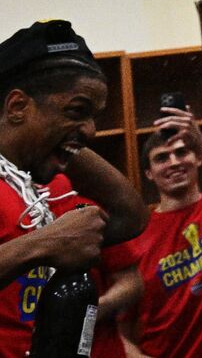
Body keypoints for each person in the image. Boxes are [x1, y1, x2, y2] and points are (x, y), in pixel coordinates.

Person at [0, 20, 148, 353]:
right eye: (77, 110)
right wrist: (44, 243)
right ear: (18, 106)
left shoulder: (30, 180)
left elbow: (131, 214)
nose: (93, 131)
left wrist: (63, 138)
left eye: (94, 116)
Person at [122, 105, 202, 357]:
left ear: (198, 159)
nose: (174, 162)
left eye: (182, 152)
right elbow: (120, 331)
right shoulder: (137, 238)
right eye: (161, 157)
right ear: (148, 173)